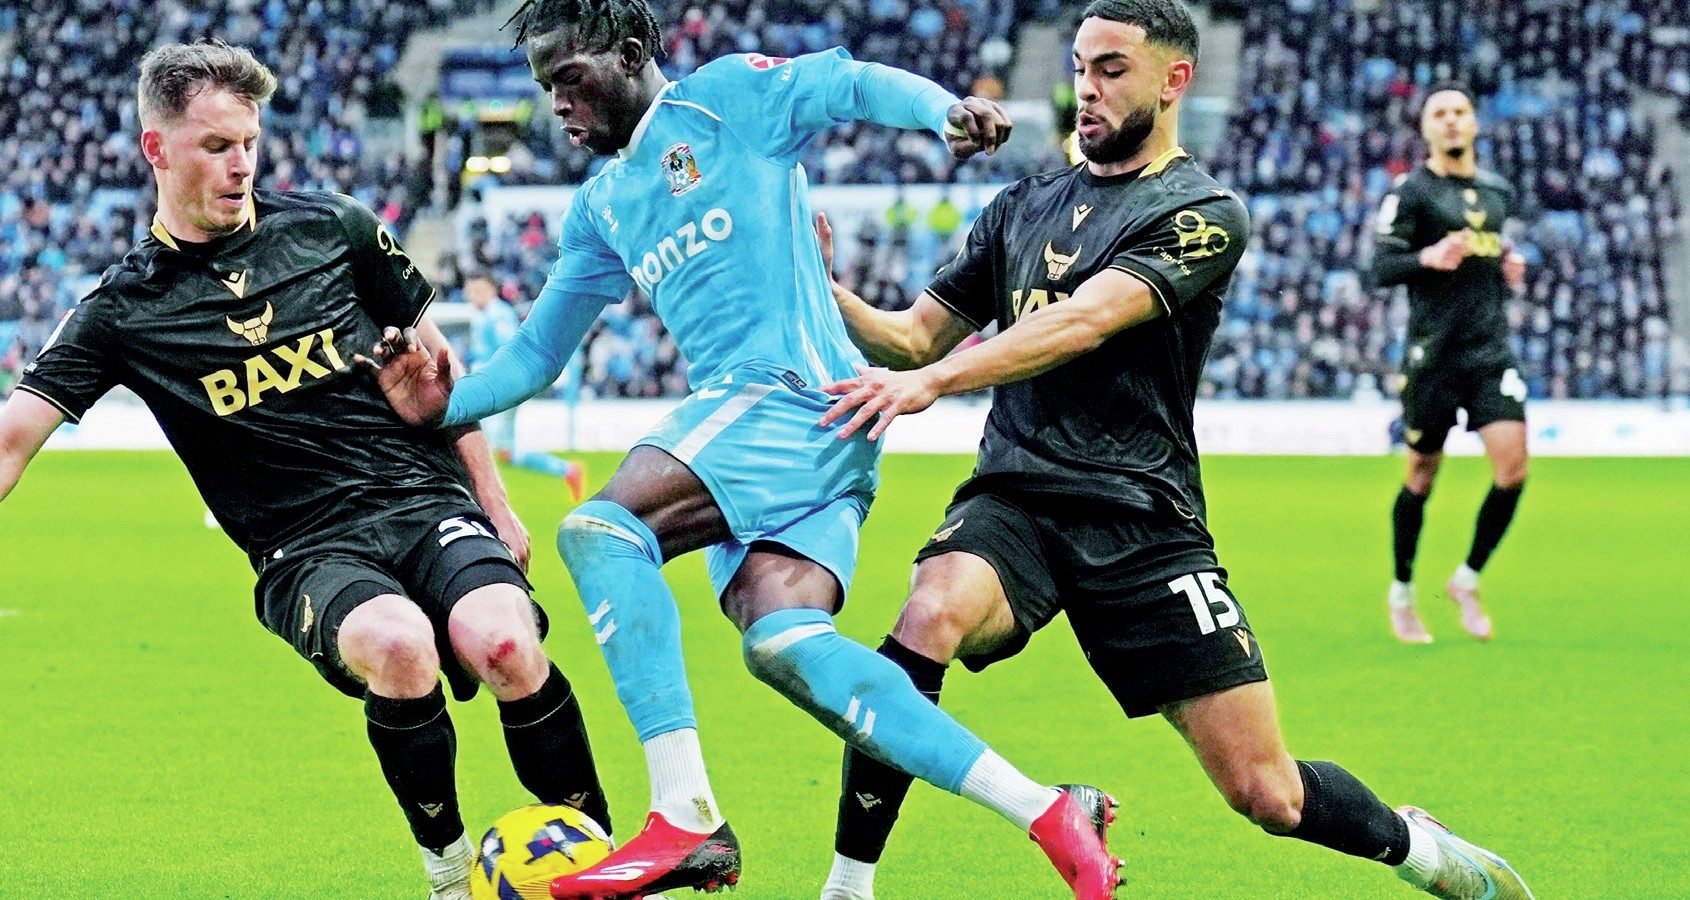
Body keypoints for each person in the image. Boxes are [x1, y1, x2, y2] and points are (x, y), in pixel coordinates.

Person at [361, 1, 1122, 896]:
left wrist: (941, 108)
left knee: (599, 534)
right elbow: (534, 355)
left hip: (784, 398)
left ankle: (683, 814)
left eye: (568, 79)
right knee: (786, 644)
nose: (556, 107)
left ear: (632, 53)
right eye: (544, 89)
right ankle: (1045, 807)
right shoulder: (604, 206)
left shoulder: (724, 102)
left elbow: (845, 82)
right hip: (814, 438)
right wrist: (440, 403)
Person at [813, 4, 1534, 899]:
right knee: (927, 616)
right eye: (1081, 66)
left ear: (1173, 80)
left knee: (1266, 794)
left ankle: (1422, 851)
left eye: (1112, 68)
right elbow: (914, 338)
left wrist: (937, 383)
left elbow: (1084, 321)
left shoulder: (1201, 211)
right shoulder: (1020, 206)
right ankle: (848, 885)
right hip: (1019, 497)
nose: (1086, 86)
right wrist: (827, 286)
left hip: (1144, 520)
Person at [0, 41, 609, 900]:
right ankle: (449, 871)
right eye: (216, 145)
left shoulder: (336, 229)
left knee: (505, 640)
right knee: (401, 649)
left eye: (249, 141)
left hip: (421, 494)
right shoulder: (120, 310)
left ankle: (608, 859)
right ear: (156, 150)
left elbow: (445, 381)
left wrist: (497, 503)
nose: (240, 163)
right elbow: (10, 442)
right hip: (305, 548)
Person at [1373, 84, 1530, 644]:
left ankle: (1466, 579)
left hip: (1489, 352)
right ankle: (1402, 592)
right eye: (1439, 114)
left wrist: (1507, 265)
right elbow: (1380, 267)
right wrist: (1426, 257)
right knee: (1421, 476)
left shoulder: (1497, 192)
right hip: (1432, 356)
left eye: (1460, 112)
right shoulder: (1410, 192)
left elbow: (1488, 253)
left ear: (1475, 124)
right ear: (1426, 128)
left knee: (1512, 470)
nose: (1452, 122)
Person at [463, 272, 588, 501]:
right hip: (490, 389)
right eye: (470, 291)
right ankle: (568, 471)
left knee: (482, 449)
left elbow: (510, 353)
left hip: (499, 390)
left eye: (478, 290)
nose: (472, 296)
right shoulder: (480, 315)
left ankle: (487, 505)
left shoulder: (498, 316)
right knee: (504, 453)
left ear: (492, 290)